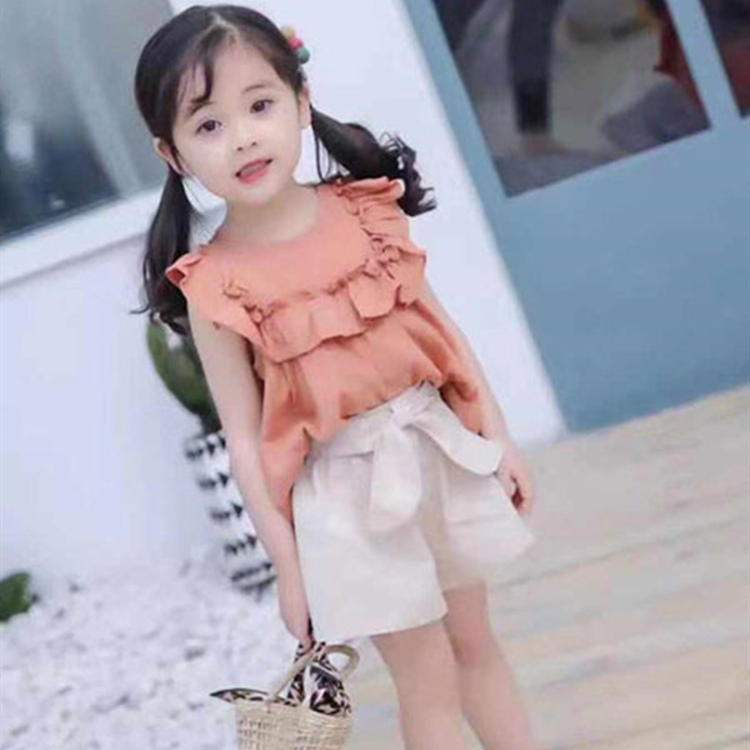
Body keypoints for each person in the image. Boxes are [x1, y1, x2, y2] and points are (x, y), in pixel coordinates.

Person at [133, 6, 539, 748]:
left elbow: (445, 335)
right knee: (427, 683)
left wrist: (498, 437)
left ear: (300, 102)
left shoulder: (365, 212)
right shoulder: (214, 286)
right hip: (345, 503)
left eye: (259, 106)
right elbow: (245, 442)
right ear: (173, 153)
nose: (243, 136)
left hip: (434, 454)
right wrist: (288, 568)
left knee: (476, 646)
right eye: (209, 124)